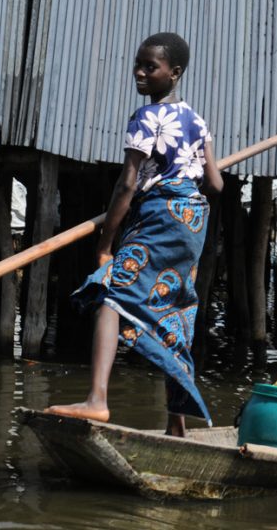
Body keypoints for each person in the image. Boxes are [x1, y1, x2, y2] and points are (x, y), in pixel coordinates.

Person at [46, 32, 222, 437]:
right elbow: (215, 184)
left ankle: (97, 400)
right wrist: (183, 170)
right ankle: (175, 424)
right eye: (138, 64)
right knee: (173, 311)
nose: (139, 73)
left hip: (160, 218)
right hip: (192, 222)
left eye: (150, 67)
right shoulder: (196, 119)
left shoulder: (147, 118)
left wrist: (106, 241)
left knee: (112, 293)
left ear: (174, 73)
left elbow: (126, 185)